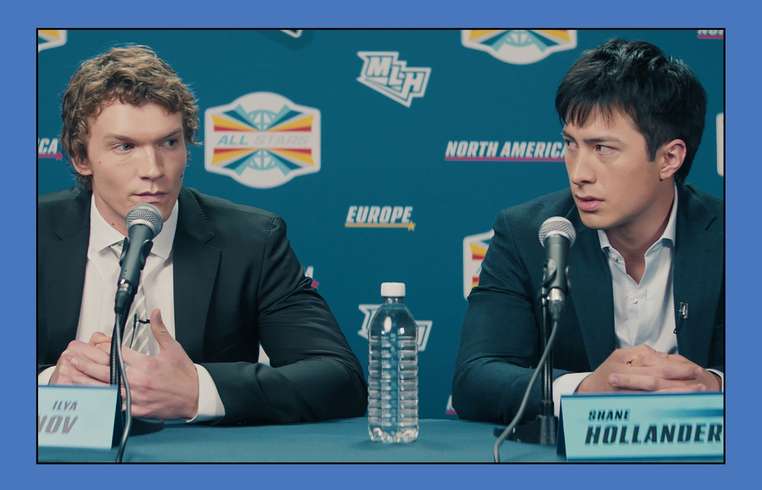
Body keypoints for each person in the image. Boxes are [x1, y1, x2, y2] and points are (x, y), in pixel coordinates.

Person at [37, 45, 367, 425]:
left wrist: (198, 390)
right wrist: (50, 385)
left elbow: (340, 379)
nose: (153, 169)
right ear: (81, 157)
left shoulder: (251, 241)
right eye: (125, 146)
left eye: (169, 143)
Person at [452, 39, 724, 424]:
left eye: (602, 149)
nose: (579, 173)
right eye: (571, 144)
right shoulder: (527, 234)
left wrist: (715, 385)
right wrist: (583, 390)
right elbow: (475, 378)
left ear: (669, 158)